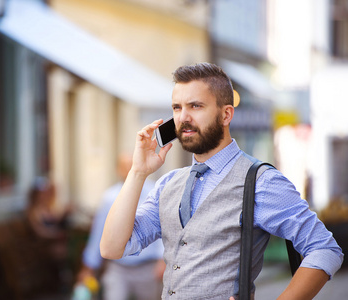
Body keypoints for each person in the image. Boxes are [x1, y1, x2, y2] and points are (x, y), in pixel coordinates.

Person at [100, 63, 344, 300]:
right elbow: (112, 248)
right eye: (176, 108)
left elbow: (324, 249)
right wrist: (138, 172)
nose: (183, 117)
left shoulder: (261, 182)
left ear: (226, 114)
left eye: (195, 106)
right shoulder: (168, 184)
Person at [77, 153, 165, 300]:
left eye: (131, 165)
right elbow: (99, 233)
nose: (128, 170)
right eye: (124, 167)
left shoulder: (154, 191)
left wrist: (162, 260)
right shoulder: (109, 197)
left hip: (147, 268)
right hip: (118, 268)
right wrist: (89, 267)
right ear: (118, 170)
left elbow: (162, 227)